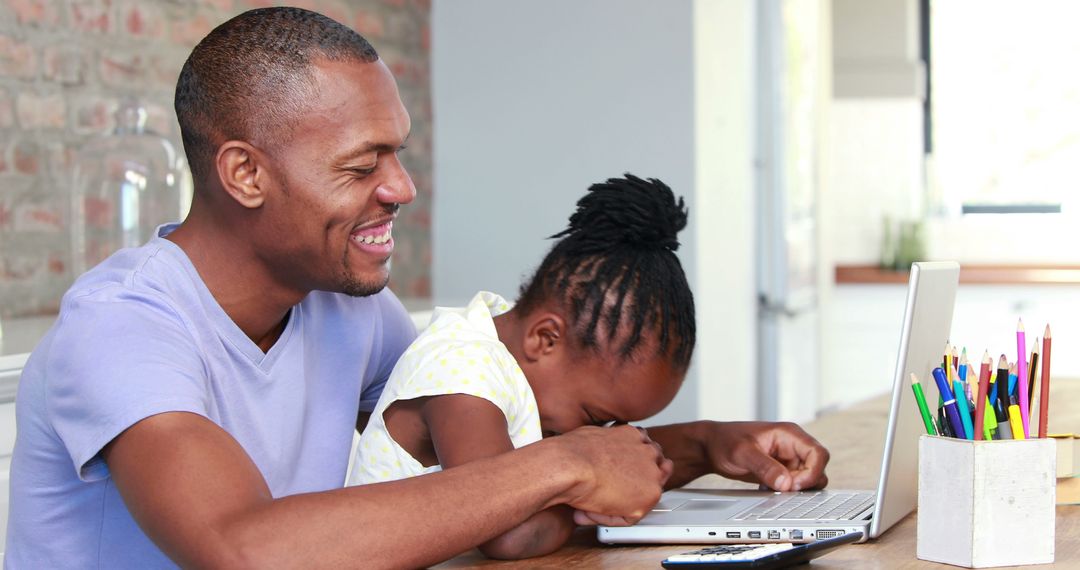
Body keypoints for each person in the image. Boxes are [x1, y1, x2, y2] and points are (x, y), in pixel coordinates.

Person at [5, 7, 828, 568]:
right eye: (363, 165)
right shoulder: (123, 331)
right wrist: (569, 466)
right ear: (245, 174)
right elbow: (242, 549)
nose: (400, 188)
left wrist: (709, 445)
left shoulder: (340, 310)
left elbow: (500, 444)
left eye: (397, 155)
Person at [350, 174, 696, 559]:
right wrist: (595, 491)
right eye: (595, 417)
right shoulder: (463, 370)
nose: (598, 437)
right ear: (544, 339)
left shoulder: (509, 350)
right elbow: (508, 535)